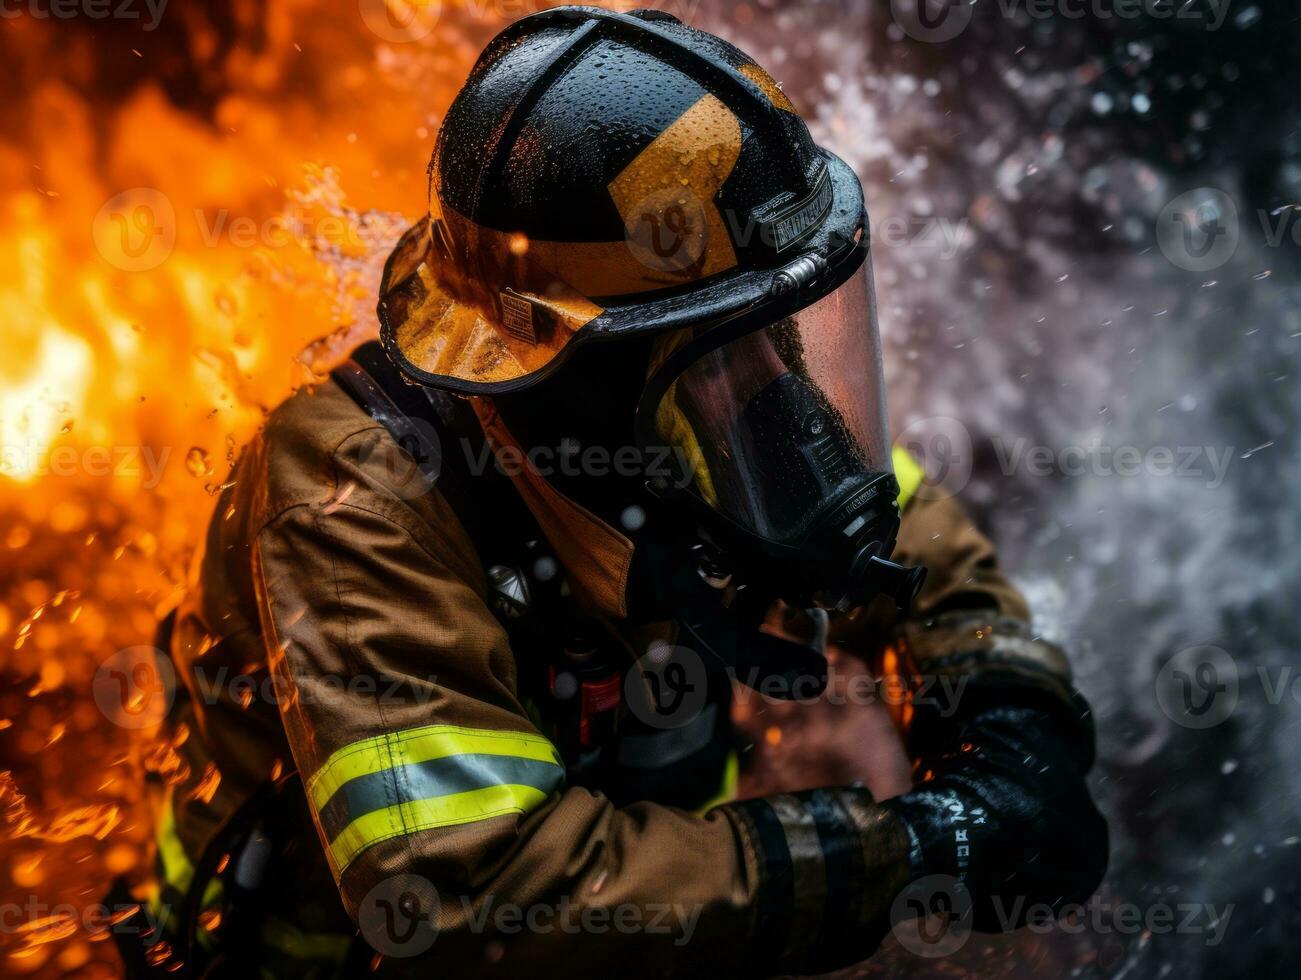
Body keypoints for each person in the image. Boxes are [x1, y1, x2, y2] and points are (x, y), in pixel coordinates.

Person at [122, 8, 1106, 978]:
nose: (779, 389)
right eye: (726, 351)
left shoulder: (702, 411)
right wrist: (907, 852)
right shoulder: (351, 491)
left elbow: (899, 524)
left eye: (783, 326)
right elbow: (480, 895)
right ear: (586, 388)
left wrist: (1000, 701)